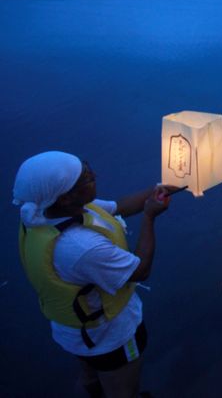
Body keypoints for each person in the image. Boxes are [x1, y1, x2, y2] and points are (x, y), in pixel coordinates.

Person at [13, 151, 178, 398]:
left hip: (75, 330)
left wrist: (161, 188)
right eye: (86, 178)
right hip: (109, 335)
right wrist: (149, 217)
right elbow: (141, 270)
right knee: (122, 390)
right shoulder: (80, 247)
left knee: (90, 377)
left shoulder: (42, 212)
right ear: (66, 197)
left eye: (87, 169)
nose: (94, 176)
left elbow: (120, 206)